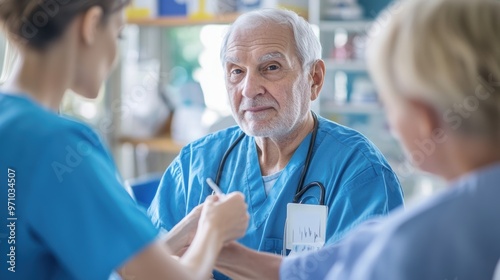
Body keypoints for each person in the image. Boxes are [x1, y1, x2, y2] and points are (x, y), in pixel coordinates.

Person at [212, 0, 500, 279]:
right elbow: (327, 268)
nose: (249, 89)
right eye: (236, 71)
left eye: (388, 102)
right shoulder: (455, 219)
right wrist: (208, 246)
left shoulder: (420, 237)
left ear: (424, 121)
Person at [0, 1, 249, 279]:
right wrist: (215, 231)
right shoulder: (58, 146)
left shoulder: (13, 123)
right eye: (118, 34)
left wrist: (185, 231)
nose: (116, 54)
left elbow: (126, 267)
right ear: (91, 24)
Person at [148, 8, 404, 279]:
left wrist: (207, 252)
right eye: (236, 71)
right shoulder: (194, 165)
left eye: (270, 68)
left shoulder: (359, 173)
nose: (249, 89)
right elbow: (142, 269)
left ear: (314, 78)